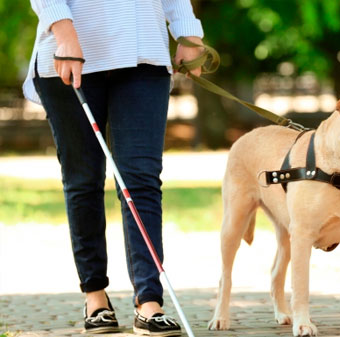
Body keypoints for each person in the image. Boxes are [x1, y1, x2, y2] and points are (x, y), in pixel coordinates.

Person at [23, 1, 205, 335]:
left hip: (144, 53)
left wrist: (188, 31)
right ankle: (95, 297)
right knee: (83, 179)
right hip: (70, 52)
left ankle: (149, 302)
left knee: (141, 180)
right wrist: (63, 33)